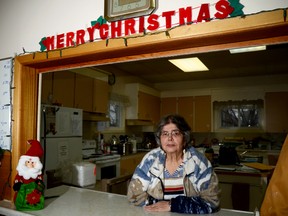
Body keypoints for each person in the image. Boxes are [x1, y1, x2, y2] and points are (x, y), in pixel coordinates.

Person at [127, 114, 220, 214]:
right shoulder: (150, 160)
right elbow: (134, 196)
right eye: (165, 134)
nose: (170, 138)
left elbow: (212, 202)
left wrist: (172, 205)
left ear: (184, 138)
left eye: (175, 133)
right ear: (160, 139)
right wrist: (157, 205)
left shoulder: (199, 162)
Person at [13, 140, 45, 211]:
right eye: (28, 162)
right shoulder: (21, 173)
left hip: (34, 196)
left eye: (33, 162)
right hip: (21, 195)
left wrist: (40, 184)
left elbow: (40, 183)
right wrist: (17, 185)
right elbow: (16, 180)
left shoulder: (38, 174)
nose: (30, 164)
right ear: (24, 162)